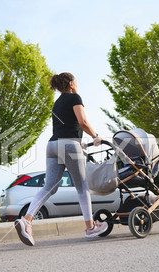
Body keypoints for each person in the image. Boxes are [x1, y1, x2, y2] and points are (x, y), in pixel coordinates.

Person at [14, 72, 108, 246]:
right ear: (71, 84)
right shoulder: (75, 98)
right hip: (68, 144)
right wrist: (96, 136)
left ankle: (26, 220)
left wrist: (79, 144)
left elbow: (64, 127)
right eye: (76, 82)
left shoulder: (57, 104)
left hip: (52, 145)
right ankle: (90, 228)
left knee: (49, 187)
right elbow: (82, 122)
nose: (77, 85)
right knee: (82, 187)